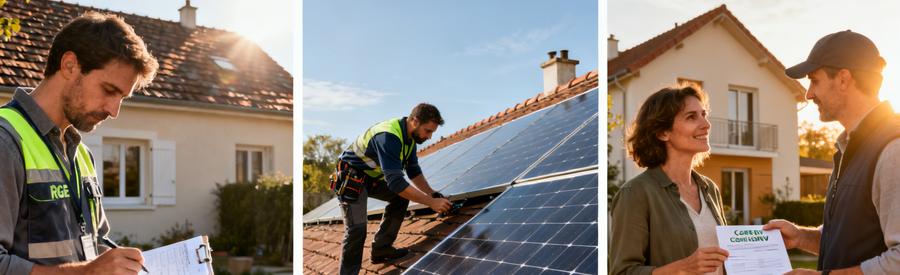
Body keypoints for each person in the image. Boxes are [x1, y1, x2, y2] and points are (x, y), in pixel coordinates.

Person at [0, 12, 158, 274]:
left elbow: (95, 247)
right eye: (109, 90)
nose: (114, 110)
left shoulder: (82, 155)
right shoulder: (6, 143)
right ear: (70, 65)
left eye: (123, 97)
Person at [765, 30, 900, 275]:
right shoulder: (851, 148)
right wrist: (800, 237)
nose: (809, 94)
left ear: (843, 79)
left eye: (814, 81)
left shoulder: (893, 150)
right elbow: (852, 239)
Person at [610, 84, 730, 275]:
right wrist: (681, 269)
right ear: (662, 133)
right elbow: (622, 272)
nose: (706, 125)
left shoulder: (710, 189)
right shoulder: (636, 194)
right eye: (691, 117)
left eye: (704, 115)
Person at [335, 103, 452, 275]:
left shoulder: (411, 139)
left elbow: (413, 171)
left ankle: (382, 249)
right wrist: (431, 203)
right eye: (428, 131)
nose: (430, 137)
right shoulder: (388, 137)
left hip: (371, 179)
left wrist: (432, 193)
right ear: (414, 121)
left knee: (401, 197)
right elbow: (396, 183)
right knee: (357, 229)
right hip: (351, 178)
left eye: (432, 132)